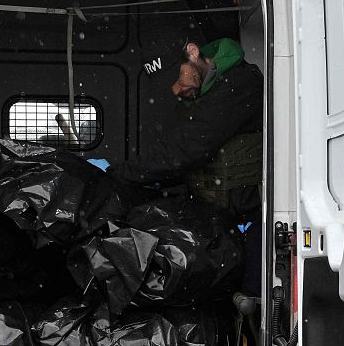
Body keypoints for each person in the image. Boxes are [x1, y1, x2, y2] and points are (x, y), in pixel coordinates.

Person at [94, 38, 264, 220]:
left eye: (176, 78)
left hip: (244, 219)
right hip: (215, 213)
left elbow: (184, 150)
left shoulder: (239, 83)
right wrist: (154, 180)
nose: (175, 90)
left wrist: (115, 174)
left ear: (192, 52)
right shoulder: (201, 94)